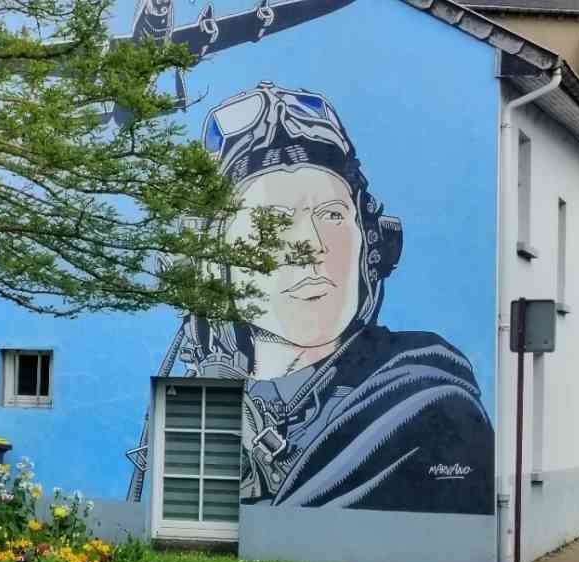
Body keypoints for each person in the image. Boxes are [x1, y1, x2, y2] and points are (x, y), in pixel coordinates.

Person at [153, 81, 494, 515]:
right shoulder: (208, 397)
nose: (312, 244)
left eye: (332, 215)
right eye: (271, 220)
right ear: (209, 260)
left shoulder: (426, 410)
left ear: (371, 246)